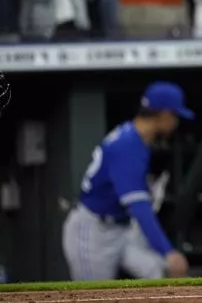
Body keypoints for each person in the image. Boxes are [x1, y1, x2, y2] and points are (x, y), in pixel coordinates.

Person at [62, 82, 192, 281]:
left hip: (123, 229)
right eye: (175, 117)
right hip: (95, 232)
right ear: (165, 114)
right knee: (94, 297)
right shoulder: (128, 145)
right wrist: (168, 252)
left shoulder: (136, 138)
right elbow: (139, 207)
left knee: (163, 273)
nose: (176, 123)